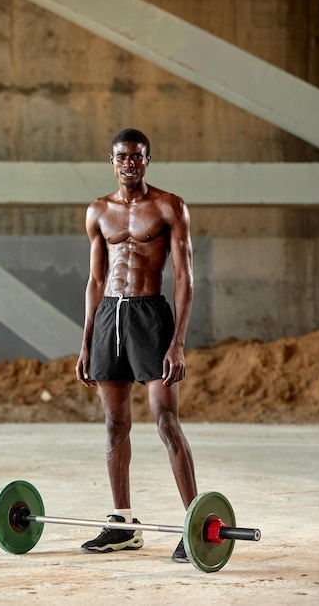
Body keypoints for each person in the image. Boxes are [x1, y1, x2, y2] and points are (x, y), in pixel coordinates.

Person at [75, 128, 197, 562]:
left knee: (165, 420)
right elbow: (94, 280)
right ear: (111, 160)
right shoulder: (97, 211)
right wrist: (87, 341)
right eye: (122, 156)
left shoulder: (169, 206)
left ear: (147, 160)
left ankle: (193, 524)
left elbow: (184, 277)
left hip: (150, 316)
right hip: (110, 315)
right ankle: (123, 523)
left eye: (137, 157)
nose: (129, 163)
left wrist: (177, 343)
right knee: (114, 425)